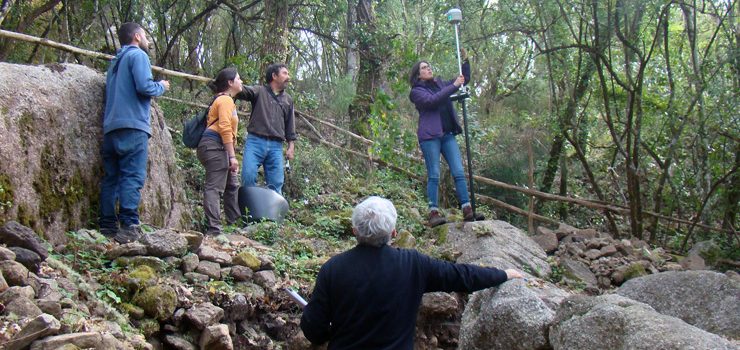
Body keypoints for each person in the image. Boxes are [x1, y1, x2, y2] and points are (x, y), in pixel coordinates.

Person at [300, 196, 523, 349]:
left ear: (354, 231)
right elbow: (461, 276)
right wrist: (503, 274)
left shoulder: (333, 269)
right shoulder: (412, 264)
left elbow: (312, 328)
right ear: (394, 232)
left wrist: (330, 333)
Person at [99, 22, 170, 243]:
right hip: (133, 126)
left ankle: (107, 226)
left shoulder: (114, 62)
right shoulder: (138, 56)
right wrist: (162, 86)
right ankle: (129, 225)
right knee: (132, 175)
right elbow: (144, 87)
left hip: (111, 128)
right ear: (137, 37)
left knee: (111, 178)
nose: (147, 40)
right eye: (146, 35)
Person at [409, 51, 481, 227]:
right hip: (430, 137)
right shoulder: (416, 92)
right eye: (424, 68)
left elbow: (464, 79)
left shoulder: (440, 84)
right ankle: (433, 212)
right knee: (434, 174)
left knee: (458, 171)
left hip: (447, 135)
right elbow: (433, 101)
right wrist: (454, 85)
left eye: (429, 66)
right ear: (418, 74)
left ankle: (467, 209)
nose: (428, 69)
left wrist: (465, 61)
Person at [235, 63, 296, 194]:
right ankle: (249, 212)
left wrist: (291, 146)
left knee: (276, 183)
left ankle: (272, 214)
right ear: (274, 76)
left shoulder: (288, 100)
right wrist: (228, 83)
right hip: (255, 142)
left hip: (276, 146)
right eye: (285, 73)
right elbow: (242, 91)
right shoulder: (259, 91)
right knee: (248, 176)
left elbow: (290, 124)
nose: (288, 77)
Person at [197, 67, 243, 235]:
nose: (241, 81)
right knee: (214, 187)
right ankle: (214, 229)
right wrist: (232, 156)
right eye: (238, 79)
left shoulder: (224, 100)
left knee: (232, 184)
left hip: (218, 146)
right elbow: (224, 127)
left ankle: (234, 223)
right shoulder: (225, 100)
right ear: (230, 83)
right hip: (214, 145)